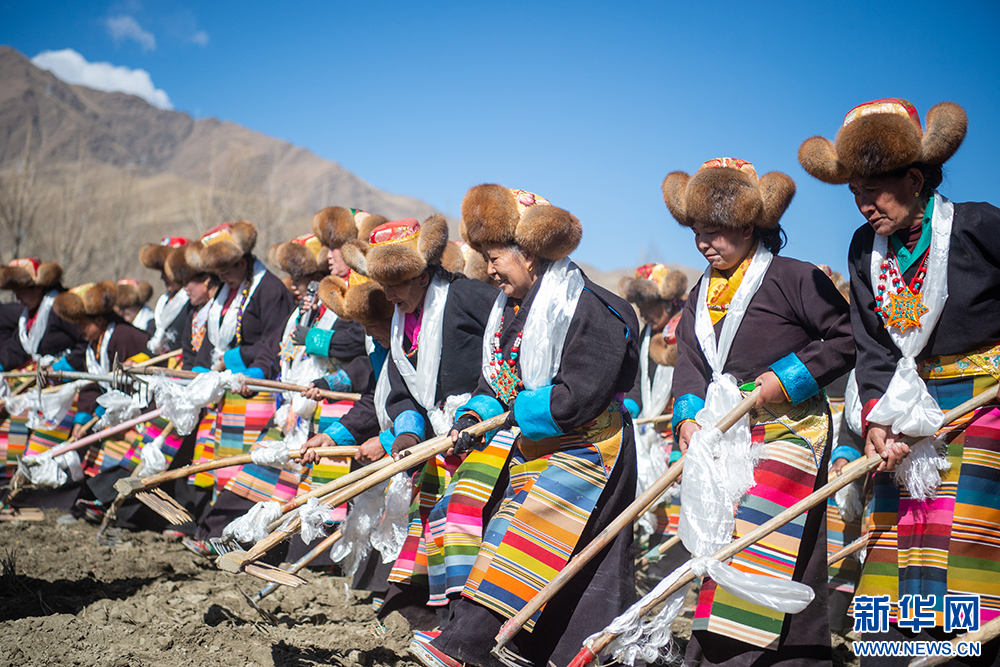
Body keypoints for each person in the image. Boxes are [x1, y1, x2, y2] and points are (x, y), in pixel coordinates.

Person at [800, 98, 1000, 664]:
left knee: (969, 542)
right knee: (901, 540)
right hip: (910, 409)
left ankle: (972, 651)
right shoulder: (866, 249)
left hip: (985, 403)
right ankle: (898, 653)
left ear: (914, 180)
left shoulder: (980, 225)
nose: (864, 205)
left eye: (875, 191)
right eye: (854, 193)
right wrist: (877, 422)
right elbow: (873, 346)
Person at [414, 185, 640, 667]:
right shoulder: (509, 312)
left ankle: (473, 646)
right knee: (492, 530)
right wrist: (473, 418)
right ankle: (480, 640)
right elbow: (494, 381)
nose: (488, 270)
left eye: (495, 258)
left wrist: (520, 411)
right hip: (534, 445)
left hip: (590, 448)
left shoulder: (593, 307)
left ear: (531, 255)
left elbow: (579, 395)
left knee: (524, 543)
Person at [666, 158, 854, 666]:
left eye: (715, 232)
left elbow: (846, 337)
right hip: (726, 436)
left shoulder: (795, 277)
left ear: (748, 227)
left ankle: (730, 655)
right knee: (731, 542)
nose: (704, 244)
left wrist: (786, 377)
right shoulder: (699, 293)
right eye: (697, 232)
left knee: (758, 544)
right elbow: (690, 362)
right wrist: (687, 417)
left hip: (790, 429)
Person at [339, 214, 500, 628]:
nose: (389, 294)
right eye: (384, 284)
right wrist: (408, 432)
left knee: (460, 520)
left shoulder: (467, 296)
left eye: (397, 283)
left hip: (486, 430)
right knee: (426, 520)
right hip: (439, 437)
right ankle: (429, 616)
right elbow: (402, 386)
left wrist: (478, 411)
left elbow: (507, 344)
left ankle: (468, 621)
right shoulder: (400, 321)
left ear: (424, 274)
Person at [181, 220, 295, 547]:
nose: (221, 278)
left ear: (242, 263)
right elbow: (216, 340)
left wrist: (245, 367)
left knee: (247, 472)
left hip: (258, 391)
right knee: (225, 469)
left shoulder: (269, 290)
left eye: (226, 270)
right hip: (231, 393)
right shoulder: (226, 292)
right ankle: (217, 532)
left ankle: (233, 535)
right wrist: (204, 372)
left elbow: (274, 342)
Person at [619, 263, 688, 569]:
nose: (643, 313)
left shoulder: (686, 329)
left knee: (673, 509)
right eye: (640, 306)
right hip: (648, 432)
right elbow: (637, 381)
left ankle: (665, 573)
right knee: (648, 507)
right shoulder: (645, 334)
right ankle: (647, 569)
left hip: (679, 431)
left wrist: (678, 441)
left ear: (668, 302)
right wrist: (631, 409)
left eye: (648, 305)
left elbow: (690, 384)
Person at [0, 258, 87, 483]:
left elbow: (86, 343)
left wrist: (58, 367)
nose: (17, 296)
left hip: (67, 391)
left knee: (41, 452)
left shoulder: (60, 307)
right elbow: (19, 348)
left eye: (20, 290)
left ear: (37, 288)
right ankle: (11, 481)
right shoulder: (30, 315)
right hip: (44, 388)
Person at [138, 237, 191, 356]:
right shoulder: (164, 301)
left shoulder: (192, 303)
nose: (162, 277)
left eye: (166, 271)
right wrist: (136, 361)